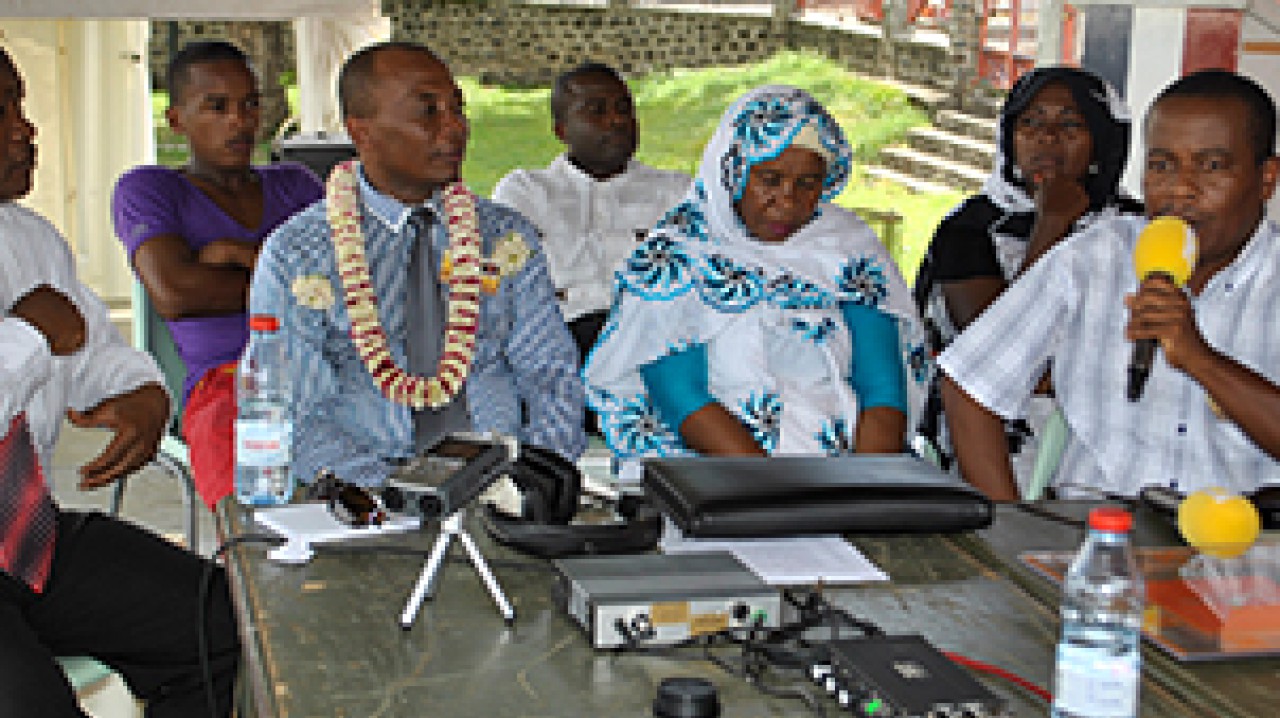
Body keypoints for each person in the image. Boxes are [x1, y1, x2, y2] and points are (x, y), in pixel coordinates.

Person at [0, 48, 239, 718]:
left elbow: (92, 349)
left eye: (22, 103)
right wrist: (25, 334)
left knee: (224, 626)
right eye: (1, 110)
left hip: (27, 540)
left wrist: (142, 392)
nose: (26, 129)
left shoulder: (29, 238)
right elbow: (45, 336)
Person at [250, 41, 585, 489]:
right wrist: (396, 496)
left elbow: (550, 374)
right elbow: (295, 413)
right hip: (362, 491)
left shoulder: (506, 237)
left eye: (457, 108)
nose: (455, 127)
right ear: (361, 131)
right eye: (428, 111)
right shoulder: (299, 253)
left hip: (502, 483)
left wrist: (538, 474)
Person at [940, 69, 1280, 501]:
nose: (1181, 190)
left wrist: (1199, 359)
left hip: (1243, 549)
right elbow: (970, 384)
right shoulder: (1095, 257)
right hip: (1096, 538)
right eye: (1161, 166)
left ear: (1267, 178)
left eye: (1211, 166)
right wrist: (1009, 531)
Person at [584, 86, 929, 460]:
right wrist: (775, 500)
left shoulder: (847, 248)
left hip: (847, 477)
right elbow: (682, 398)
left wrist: (867, 494)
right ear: (733, 171)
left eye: (807, 183)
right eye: (769, 179)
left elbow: (881, 389)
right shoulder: (678, 257)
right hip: (722, 479)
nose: (787, 200)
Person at [112, 40, 323, 508]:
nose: (240, 121)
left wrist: (233, 254)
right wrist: (293, 281)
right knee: (259, 533)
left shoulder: (296, 185)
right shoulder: (151, 190)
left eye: (250, 104)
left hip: (325, 373)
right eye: (217, 107)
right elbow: (177, 294)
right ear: (176, 120)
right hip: (232, 388)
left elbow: (346, 283)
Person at [912, 66, 1142, 485]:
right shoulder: (970, 229)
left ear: (1104, 141)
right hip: (989, 441)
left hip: (1111, 430)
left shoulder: (1136, 228)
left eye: (1069, 124)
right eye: (1030, 122)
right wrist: (1051, 226)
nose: (1046, 138)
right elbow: (996, 351)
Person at [492, 63, 690, 361]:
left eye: (624, 108)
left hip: (652, 348)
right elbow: (501, 282)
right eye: (597, 110)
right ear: (561, 130)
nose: (617, 120)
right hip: (556, 348)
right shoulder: (527, 193)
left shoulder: (676, 193)